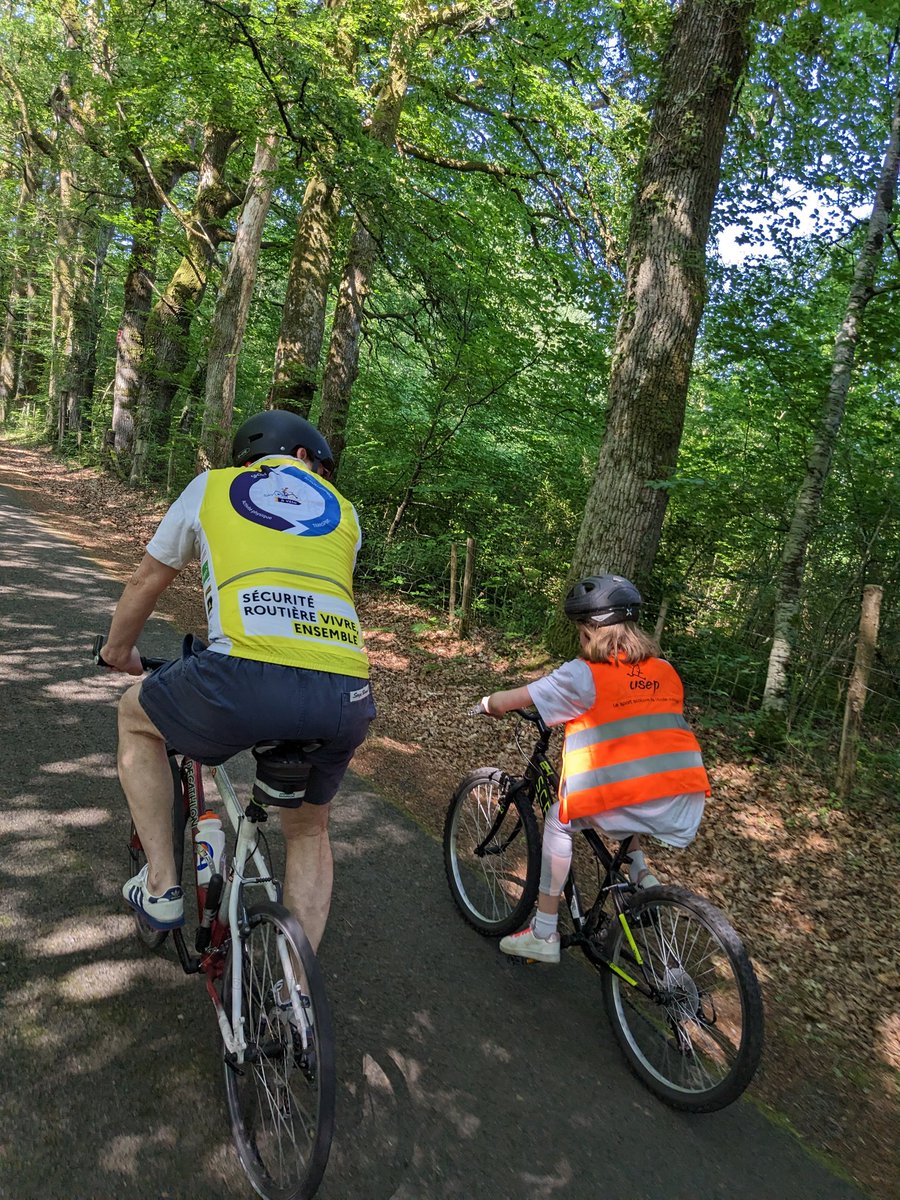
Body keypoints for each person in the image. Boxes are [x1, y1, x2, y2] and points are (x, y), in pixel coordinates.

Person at [101, 411, 376, 950]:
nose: (323, 478)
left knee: (135, 716)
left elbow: (146, 579)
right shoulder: (344, 511)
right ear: (302, 455)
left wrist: (117, 651)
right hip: (345, 690)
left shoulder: (212, 486)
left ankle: (160, 887)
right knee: (310, 829)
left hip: (242, 676)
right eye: (322, 467)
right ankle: (292, 987)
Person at [475, 574, 709, 964]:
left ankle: (543, 932)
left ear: (588, 630)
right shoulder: (665, 669)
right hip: (681, 795)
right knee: (628, 792)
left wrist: (485, 704)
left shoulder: (583, 674)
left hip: (629, 796)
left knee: (559, 818)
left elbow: (509, 701)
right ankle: (642, 876)